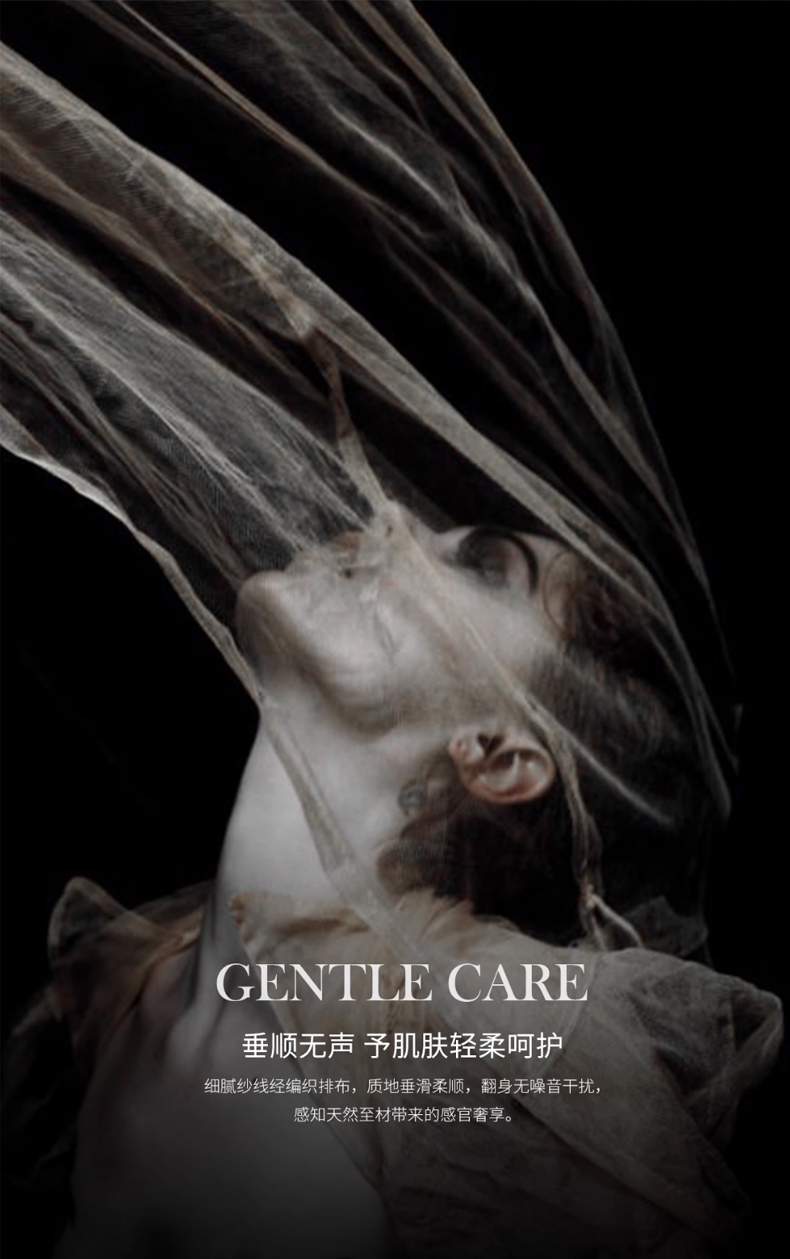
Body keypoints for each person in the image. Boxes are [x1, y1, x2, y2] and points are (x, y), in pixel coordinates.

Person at [0, 3, 782, 1257]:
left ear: (500, 751)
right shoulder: (147, 980)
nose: (394, 521)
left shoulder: (466, 1106)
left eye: (484, 563)